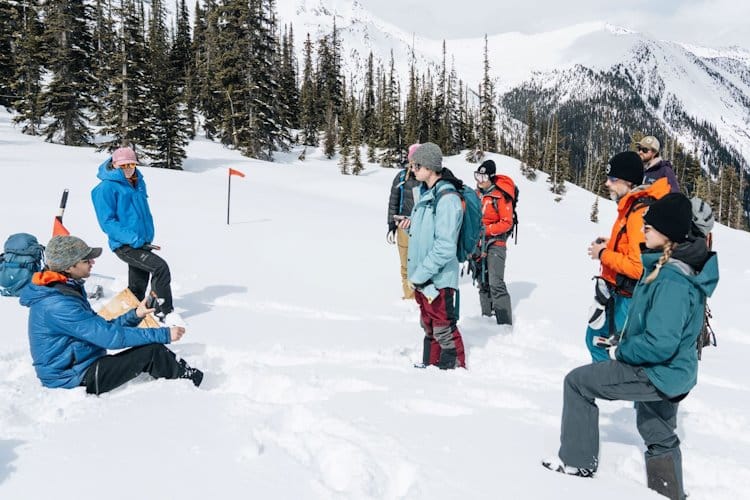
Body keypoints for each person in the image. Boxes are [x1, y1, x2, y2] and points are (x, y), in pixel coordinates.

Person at [543, 193, 718, 500]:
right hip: (676, 372)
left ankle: (576, 463)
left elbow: (660, 343)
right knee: (657, 429)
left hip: (658, 371)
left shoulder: (672, 281)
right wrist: (621, 339)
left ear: (669, 234)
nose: (644, 230)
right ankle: (668, 493)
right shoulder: (668, 270)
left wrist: (620, 352)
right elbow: (657, 328)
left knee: (578, 383)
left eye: (650, 227)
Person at [19, 235, 203, 395]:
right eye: (86, 260)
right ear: (69, 267)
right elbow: (109, 337)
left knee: (151, 349)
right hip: (69, 378)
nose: (92, 262)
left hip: (80, 365)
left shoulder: (64, 290)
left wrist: (135, 315)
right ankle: (194, 386)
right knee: (153, 352)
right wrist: (164, 334)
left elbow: (100, 328)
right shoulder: (58, 304)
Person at [586, 151, 670, 362]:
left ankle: (605, 387)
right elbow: (635, 248)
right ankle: (607, 387)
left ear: (628, 181)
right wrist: (611, 245)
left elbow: (638, 267)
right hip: (622, 294)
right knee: (598, 341)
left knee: (606, 345)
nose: (607, 184)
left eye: (612, 179)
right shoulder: (632, 207)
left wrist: (603, 254)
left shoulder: (637, 214)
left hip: (628, 298)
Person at [91, 146, 174, 320]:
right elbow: (107, 223)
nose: (128, 168)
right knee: (160, 268)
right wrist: (133, 238)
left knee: (137, 287)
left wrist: (143, 238)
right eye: (124, 165)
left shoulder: (138, 182)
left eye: (131, 164)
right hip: (125, 245)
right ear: (114, 165)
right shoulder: (105, 188)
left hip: (142, 242)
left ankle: (114, 318)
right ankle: (164, 312)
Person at [407, 142, 466, 369]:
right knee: (429, 327)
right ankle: (430, 369)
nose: (413, 169)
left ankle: (453, 373)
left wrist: (420, 274)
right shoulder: (428, 194)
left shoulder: (447, 199)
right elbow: (427, 234)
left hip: (438, 279)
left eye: (417, 165)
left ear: (430, 167)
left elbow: (445, 246)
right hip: (425, 279)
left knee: (443, 328)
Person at [473, 159, 515, 325]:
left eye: (483, 177)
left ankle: (504, 322)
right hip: (478, 243)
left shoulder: (500, 196)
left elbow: (507, 222)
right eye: (478, 176)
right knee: (482, 281)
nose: (479, 181)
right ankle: (486, 317)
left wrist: (487, 230)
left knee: (495, 282)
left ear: (490, 177)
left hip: (496, 243)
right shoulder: (477, 194)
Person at [387, 143, 422, 300]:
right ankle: (409, 296)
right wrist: (391, 225)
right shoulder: (401, 177)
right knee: (406, 263)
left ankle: (423, 297)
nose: (415, 164)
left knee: (422, 262)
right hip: (403, 226)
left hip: (423, 227)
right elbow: (393, 202)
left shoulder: (428, 179)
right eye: (413, 159)